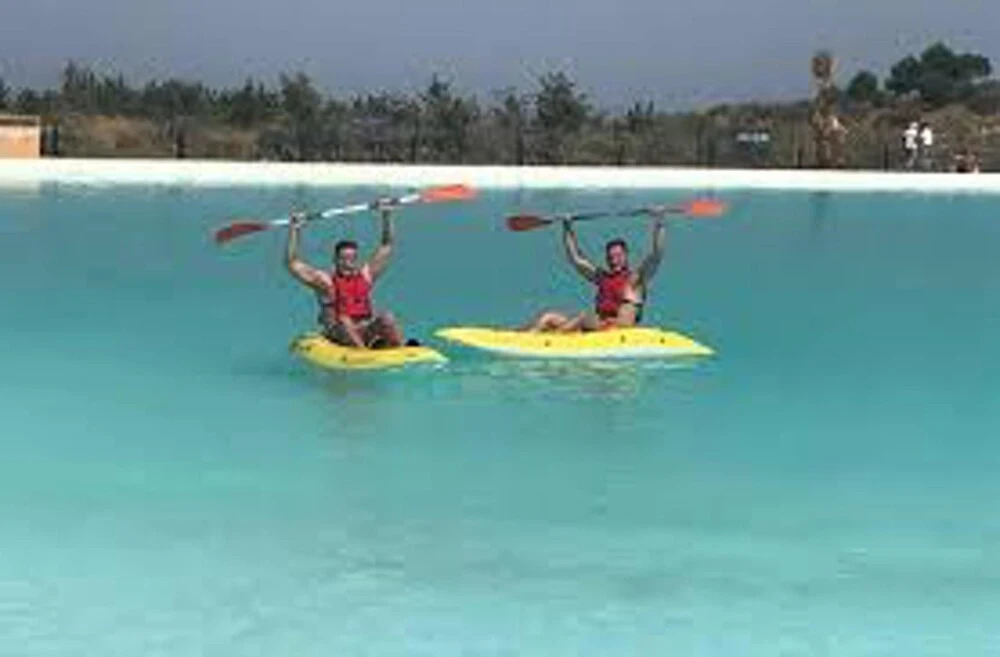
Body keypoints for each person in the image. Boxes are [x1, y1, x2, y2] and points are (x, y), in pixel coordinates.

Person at [285, 203, 406, 348]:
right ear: (335, 260)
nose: (347, 264)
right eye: (343, 259)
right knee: (344, 320)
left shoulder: (365, 276)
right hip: (338, 334)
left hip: (364, 330)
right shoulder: (326, 282)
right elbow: (292, 263)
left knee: (387, 317)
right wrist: (295, 230)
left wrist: (387, 214)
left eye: (351, 259)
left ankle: (402, 350)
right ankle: (362, 354)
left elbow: (387, 245)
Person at [525, 214, 666, 332]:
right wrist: (567, 228)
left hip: (617, 331)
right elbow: (576, 259)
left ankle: (554, 339)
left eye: (618, 256)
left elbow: (656, 255)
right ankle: (521, 336)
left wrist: (659, 223)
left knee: (583, 317)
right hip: (599, 326)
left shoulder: (635, 279)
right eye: (610, 257)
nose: (614, 260)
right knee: (549, 317)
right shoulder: (603, 278)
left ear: (626, 256)